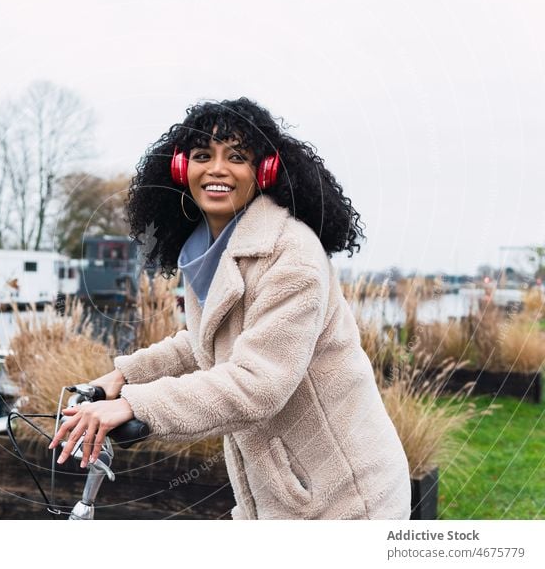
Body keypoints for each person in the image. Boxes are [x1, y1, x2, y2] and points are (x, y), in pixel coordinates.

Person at [49, 98, 411, 520]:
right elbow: (205, 340)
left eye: (237, 157)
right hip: (276, 499)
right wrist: (124, 375)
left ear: (265, 172)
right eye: (203, 156)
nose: (217, 169)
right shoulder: (207, 250)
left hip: (343, 500)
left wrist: (135, 404)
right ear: (182, 169)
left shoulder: (291, 254)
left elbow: (257, 383)